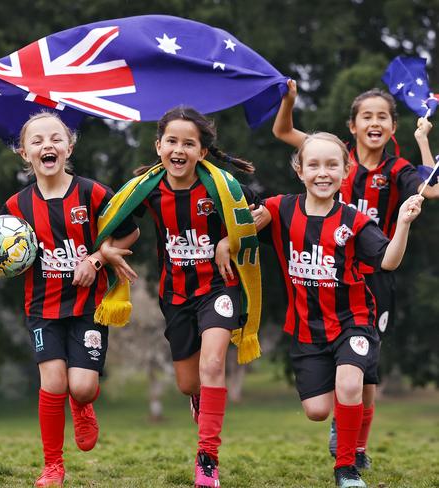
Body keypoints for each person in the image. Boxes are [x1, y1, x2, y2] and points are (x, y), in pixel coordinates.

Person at [0, 111, 138, 488]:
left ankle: (84, 404)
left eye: (56, 138)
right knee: (53, 382)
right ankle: (53, 467)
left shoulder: (93, 193)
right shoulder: (14, 208)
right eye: (37, 141)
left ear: (69, 146)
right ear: (24, 153)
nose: (48, 145)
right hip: (42, 308)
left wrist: (95, 258)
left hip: (89, 307)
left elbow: (130, 232)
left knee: (82, 386)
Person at [272, 80, 439, 467]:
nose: (375, 122)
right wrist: (290, 101)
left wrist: (423, 139)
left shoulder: (397, 168)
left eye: (383, 116)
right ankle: (336, 400)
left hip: (374, 276)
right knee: (340, 376)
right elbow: (283, 132)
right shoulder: (331, 156)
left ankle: (356, 448)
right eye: (367, 115)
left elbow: (432, 190)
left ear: (392, 128)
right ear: (353, 125)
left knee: (365, 375)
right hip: (327, 271)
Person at [99, 106, 262, 488]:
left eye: (189, 143)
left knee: (213, 364)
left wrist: (227, 240)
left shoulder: (223, 187)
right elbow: (115, 227)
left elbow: (260, 214)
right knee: (190, 383)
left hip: (220, 288)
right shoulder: (148, 190)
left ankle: (207, 460)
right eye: (172, 141)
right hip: (175, 295)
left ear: (202, 152)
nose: (179, 149)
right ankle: (197, 399)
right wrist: (105, 250)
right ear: (158, 146)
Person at [252, 132, 423, 488]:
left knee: (349, 384)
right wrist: (226, 242)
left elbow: (388, 262)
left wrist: (403, 223)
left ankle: (346, 469)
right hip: (307, 329)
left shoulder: (355, 221)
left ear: (346, 171)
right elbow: (240, 224)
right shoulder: (279, 209)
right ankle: (342, 420)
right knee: (317, 411)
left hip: (354, 321)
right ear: (300, 170)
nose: (323, 172)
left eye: (332, 165)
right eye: (313, 164)